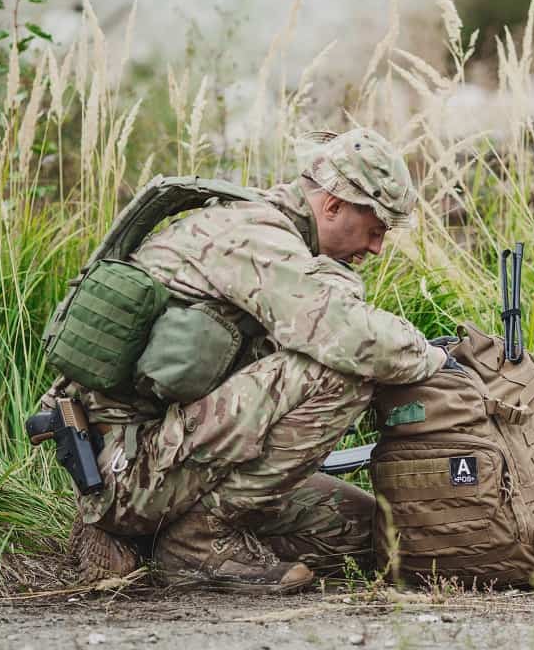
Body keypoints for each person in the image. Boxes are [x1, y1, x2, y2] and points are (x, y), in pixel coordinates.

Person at [50, 128, 453, 591]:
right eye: (375, 229)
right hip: (131, 472)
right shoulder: (254, 237)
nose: (377, 248)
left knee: (368, 531)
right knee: (341, 371)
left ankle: (151, 540)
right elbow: (352, 337)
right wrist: (435, 356)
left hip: (171, 458)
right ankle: (197, 544)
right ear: (334, 205)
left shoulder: (283, 239)